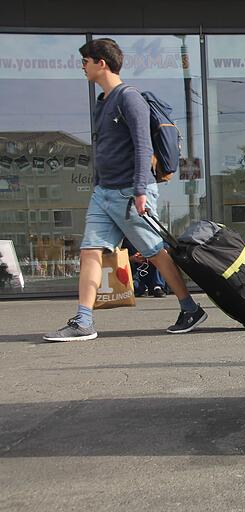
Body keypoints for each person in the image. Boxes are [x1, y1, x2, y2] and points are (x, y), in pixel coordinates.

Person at [44, 38, 207, 342]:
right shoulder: (103, 102)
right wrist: (97, 184)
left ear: (100, 63)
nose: (83, 67)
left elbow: (143, 144)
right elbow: (106, 148)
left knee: (155, 252)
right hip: (104, 193)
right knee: (90, 251)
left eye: (85, 61)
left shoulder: (128, 98)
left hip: (130, 193)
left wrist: (141, 190)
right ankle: (83, 320)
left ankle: (190, 308)